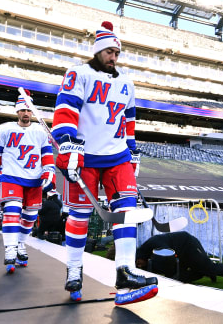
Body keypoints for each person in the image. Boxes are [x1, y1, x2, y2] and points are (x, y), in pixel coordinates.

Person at [51, 21, 157, 305]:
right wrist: (67, 142)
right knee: (80, 214)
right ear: (97, 51)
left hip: (117, 155)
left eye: (117, 53)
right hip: (84, 155)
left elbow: (129, 120)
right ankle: (74, 268)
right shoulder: (77, 74)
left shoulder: (126, 83)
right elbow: (65, 110)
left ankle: (125, 272)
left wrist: (132, 150)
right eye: (109, 52)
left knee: (127, 209)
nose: (113, 57)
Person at [0, 90, 55, 273]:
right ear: (17, 111)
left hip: (34, 177)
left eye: (28, 110)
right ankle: (10, 248)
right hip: (11, 176)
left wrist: (49, 172)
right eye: (22, 110)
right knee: (12, 209)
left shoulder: (41, 131)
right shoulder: (5, 129)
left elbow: (47, 155)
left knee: (31, 214)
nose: (26, 113)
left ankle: (20, 243)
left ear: (32, 112)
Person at [135, 231, 223, 285]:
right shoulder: (146, 253)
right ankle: (202, 272)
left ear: (140, 257)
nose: (140, 266)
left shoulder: (155, 245)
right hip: (179, 254)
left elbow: (169, 259)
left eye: (138, 264)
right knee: (177, 279)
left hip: (189, 245)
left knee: (211, 268)